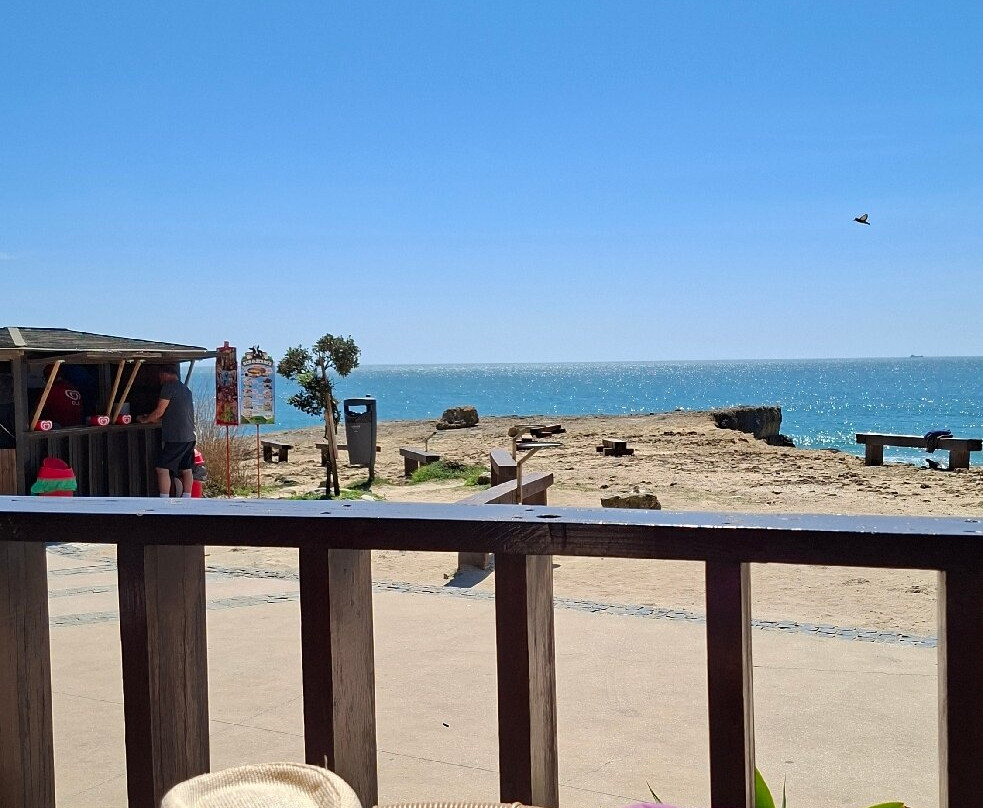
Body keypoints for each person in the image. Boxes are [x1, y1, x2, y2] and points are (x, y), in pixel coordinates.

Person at [137, 364, 196, 498]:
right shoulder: (186, 389)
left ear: (165, 374)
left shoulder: (168, 387)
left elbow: (159, 411)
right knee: (186, 468)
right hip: (190, 435)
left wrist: (146, 419)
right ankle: (187, 498)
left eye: (160, 376)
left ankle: (164, 499)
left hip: (176, 437)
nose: (160, 380)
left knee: (162, 468)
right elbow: (174, 413)